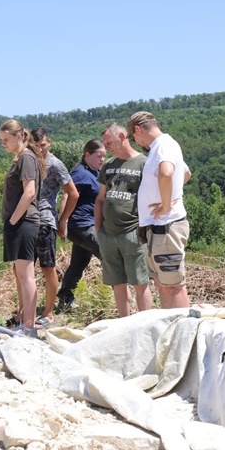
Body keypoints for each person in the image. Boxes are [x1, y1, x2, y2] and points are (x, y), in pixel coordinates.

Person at [127, 111, 190, 309]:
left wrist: (166, 204)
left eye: (134, 138)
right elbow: (186, 173)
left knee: (173, 286)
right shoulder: (160, 147)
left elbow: (167, 173)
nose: (137, 143)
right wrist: (172, 194)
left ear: (138, 129)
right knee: (163, 285)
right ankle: (170, 323)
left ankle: (182, 326)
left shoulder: (164, 145)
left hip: (166, 227)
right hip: (157, 228)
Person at [94, 123, 153, 318]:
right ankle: (123, 324)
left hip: (132, 232)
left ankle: (145, 325)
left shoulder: (143, 163)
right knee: (117, 284)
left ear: (122, 136)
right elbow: (100, 199)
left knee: (140, 283)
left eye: (109, 142)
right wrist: (98, 229)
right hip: (108, 234)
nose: (106, 147)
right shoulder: (108, 166)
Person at [29, 128, 78, 326]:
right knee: (22, 268)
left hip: (45, 220)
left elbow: (73, 193)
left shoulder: (56, 164)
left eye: (42, 145)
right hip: (27, 220)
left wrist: (63, 220)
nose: (39, 149)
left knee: (47, 267)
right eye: (35, 146)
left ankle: (48, 313)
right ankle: (25, 312)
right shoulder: (28, 161)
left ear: (49, 142)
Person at [0, 120, 41, 334]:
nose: (3, 144)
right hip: (20, 222)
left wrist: (13, 220)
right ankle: (26, 324)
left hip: (24, 222)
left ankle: (29, 327)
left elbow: (29, 192)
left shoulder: (26, 157)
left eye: (6, 139)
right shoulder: (21, 157)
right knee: (22, 275)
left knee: (26, 276)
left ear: (19, 136)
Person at [56, 139, 106, 312]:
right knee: (107, 254)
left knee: (80, 261)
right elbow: (67, 196)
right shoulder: (79, 173)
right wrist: (63, 222)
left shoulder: (95, 172)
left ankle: (65, 298)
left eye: (104, 156)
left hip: (90, 223)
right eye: (99, 156)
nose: (102, 159)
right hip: (80, 224)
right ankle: (123, 296)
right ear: (87, 155)